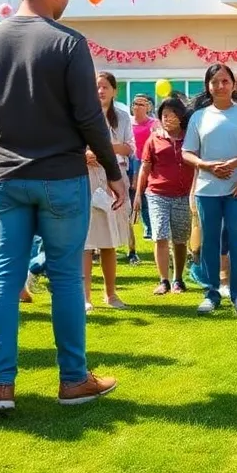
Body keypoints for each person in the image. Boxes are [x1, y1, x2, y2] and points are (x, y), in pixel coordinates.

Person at [0, 0, 125, 412]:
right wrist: (114, 174)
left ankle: (1, 387)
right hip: (61, 176)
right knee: (64, 278)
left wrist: (2, 150)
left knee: (3, 276)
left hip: (7, 179)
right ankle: (73, 380)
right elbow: (90, 118)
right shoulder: (69, 42)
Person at [183, 62, 237, 316]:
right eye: (214, 81)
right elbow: (187, 153)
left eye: (225, 81)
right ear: (208, 86)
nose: (220, 86)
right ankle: (211, 292)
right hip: (207, 190)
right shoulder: (199, 117)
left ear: (232, 84)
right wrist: (206, 165)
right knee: (210, 243)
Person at [83, 72, 134, 311]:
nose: (100, 91)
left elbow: (128, 148)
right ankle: (85, 297)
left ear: (114, 90)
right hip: (87, 179)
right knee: (86, 241)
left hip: (113, 178)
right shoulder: (81, 116)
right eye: (95, 87)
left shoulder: (122, 118)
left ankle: (111, 294)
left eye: (105, 86)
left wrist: (103, 150)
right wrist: (86, 155)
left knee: (109, 241)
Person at [135, 97, 195, 295]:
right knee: (160, 235)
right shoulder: (154, 139)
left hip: (183, 195)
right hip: (157, 193)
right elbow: (145, 168)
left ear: (181, 117)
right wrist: (137, 195)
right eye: (164, 115)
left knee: (180, 239)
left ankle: (178, 279)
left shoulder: (190, 138)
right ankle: (164, 280)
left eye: (172, 114)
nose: (168, 118)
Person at [129, 94, 154, 247]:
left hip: (147, 162)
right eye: (135, 104)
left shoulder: (154, 124)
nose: (138, 107)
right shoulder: (128, 122)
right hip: (130, 162)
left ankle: (149, 228)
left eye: (142, 104)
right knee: (132, 195)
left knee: (145, 195)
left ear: (148, 107)